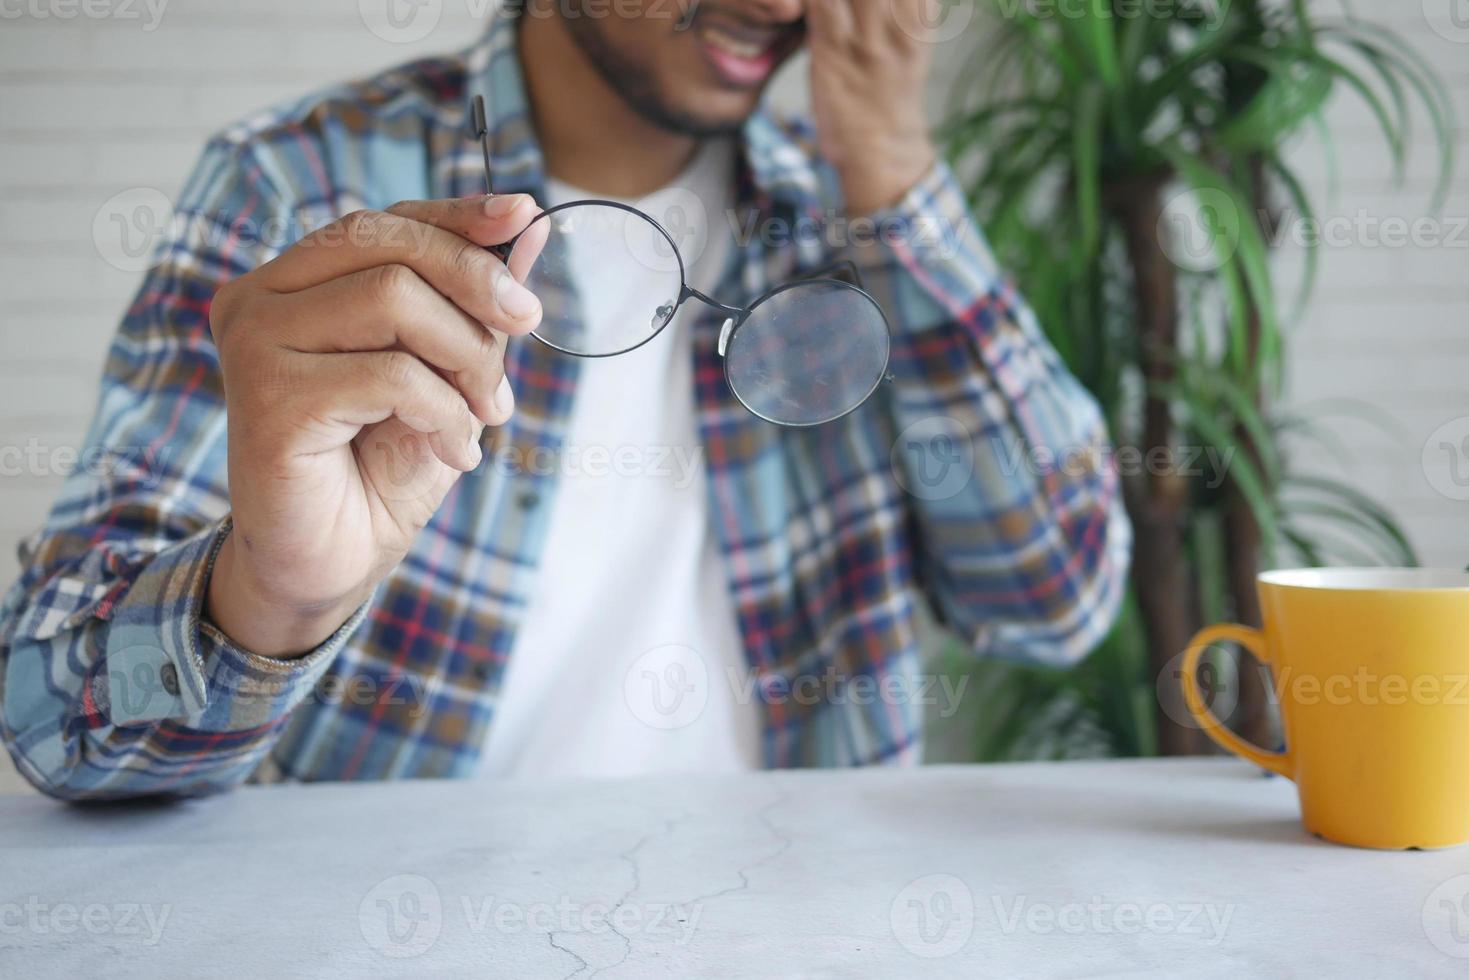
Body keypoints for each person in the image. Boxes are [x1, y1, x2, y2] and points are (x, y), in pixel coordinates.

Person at [0, 0, 1129, 799]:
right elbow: (57, 723)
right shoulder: (302, 184)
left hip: (801, 926)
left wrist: (887, 159)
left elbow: (1057, 595)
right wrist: (266, 599)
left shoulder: (862, 220)